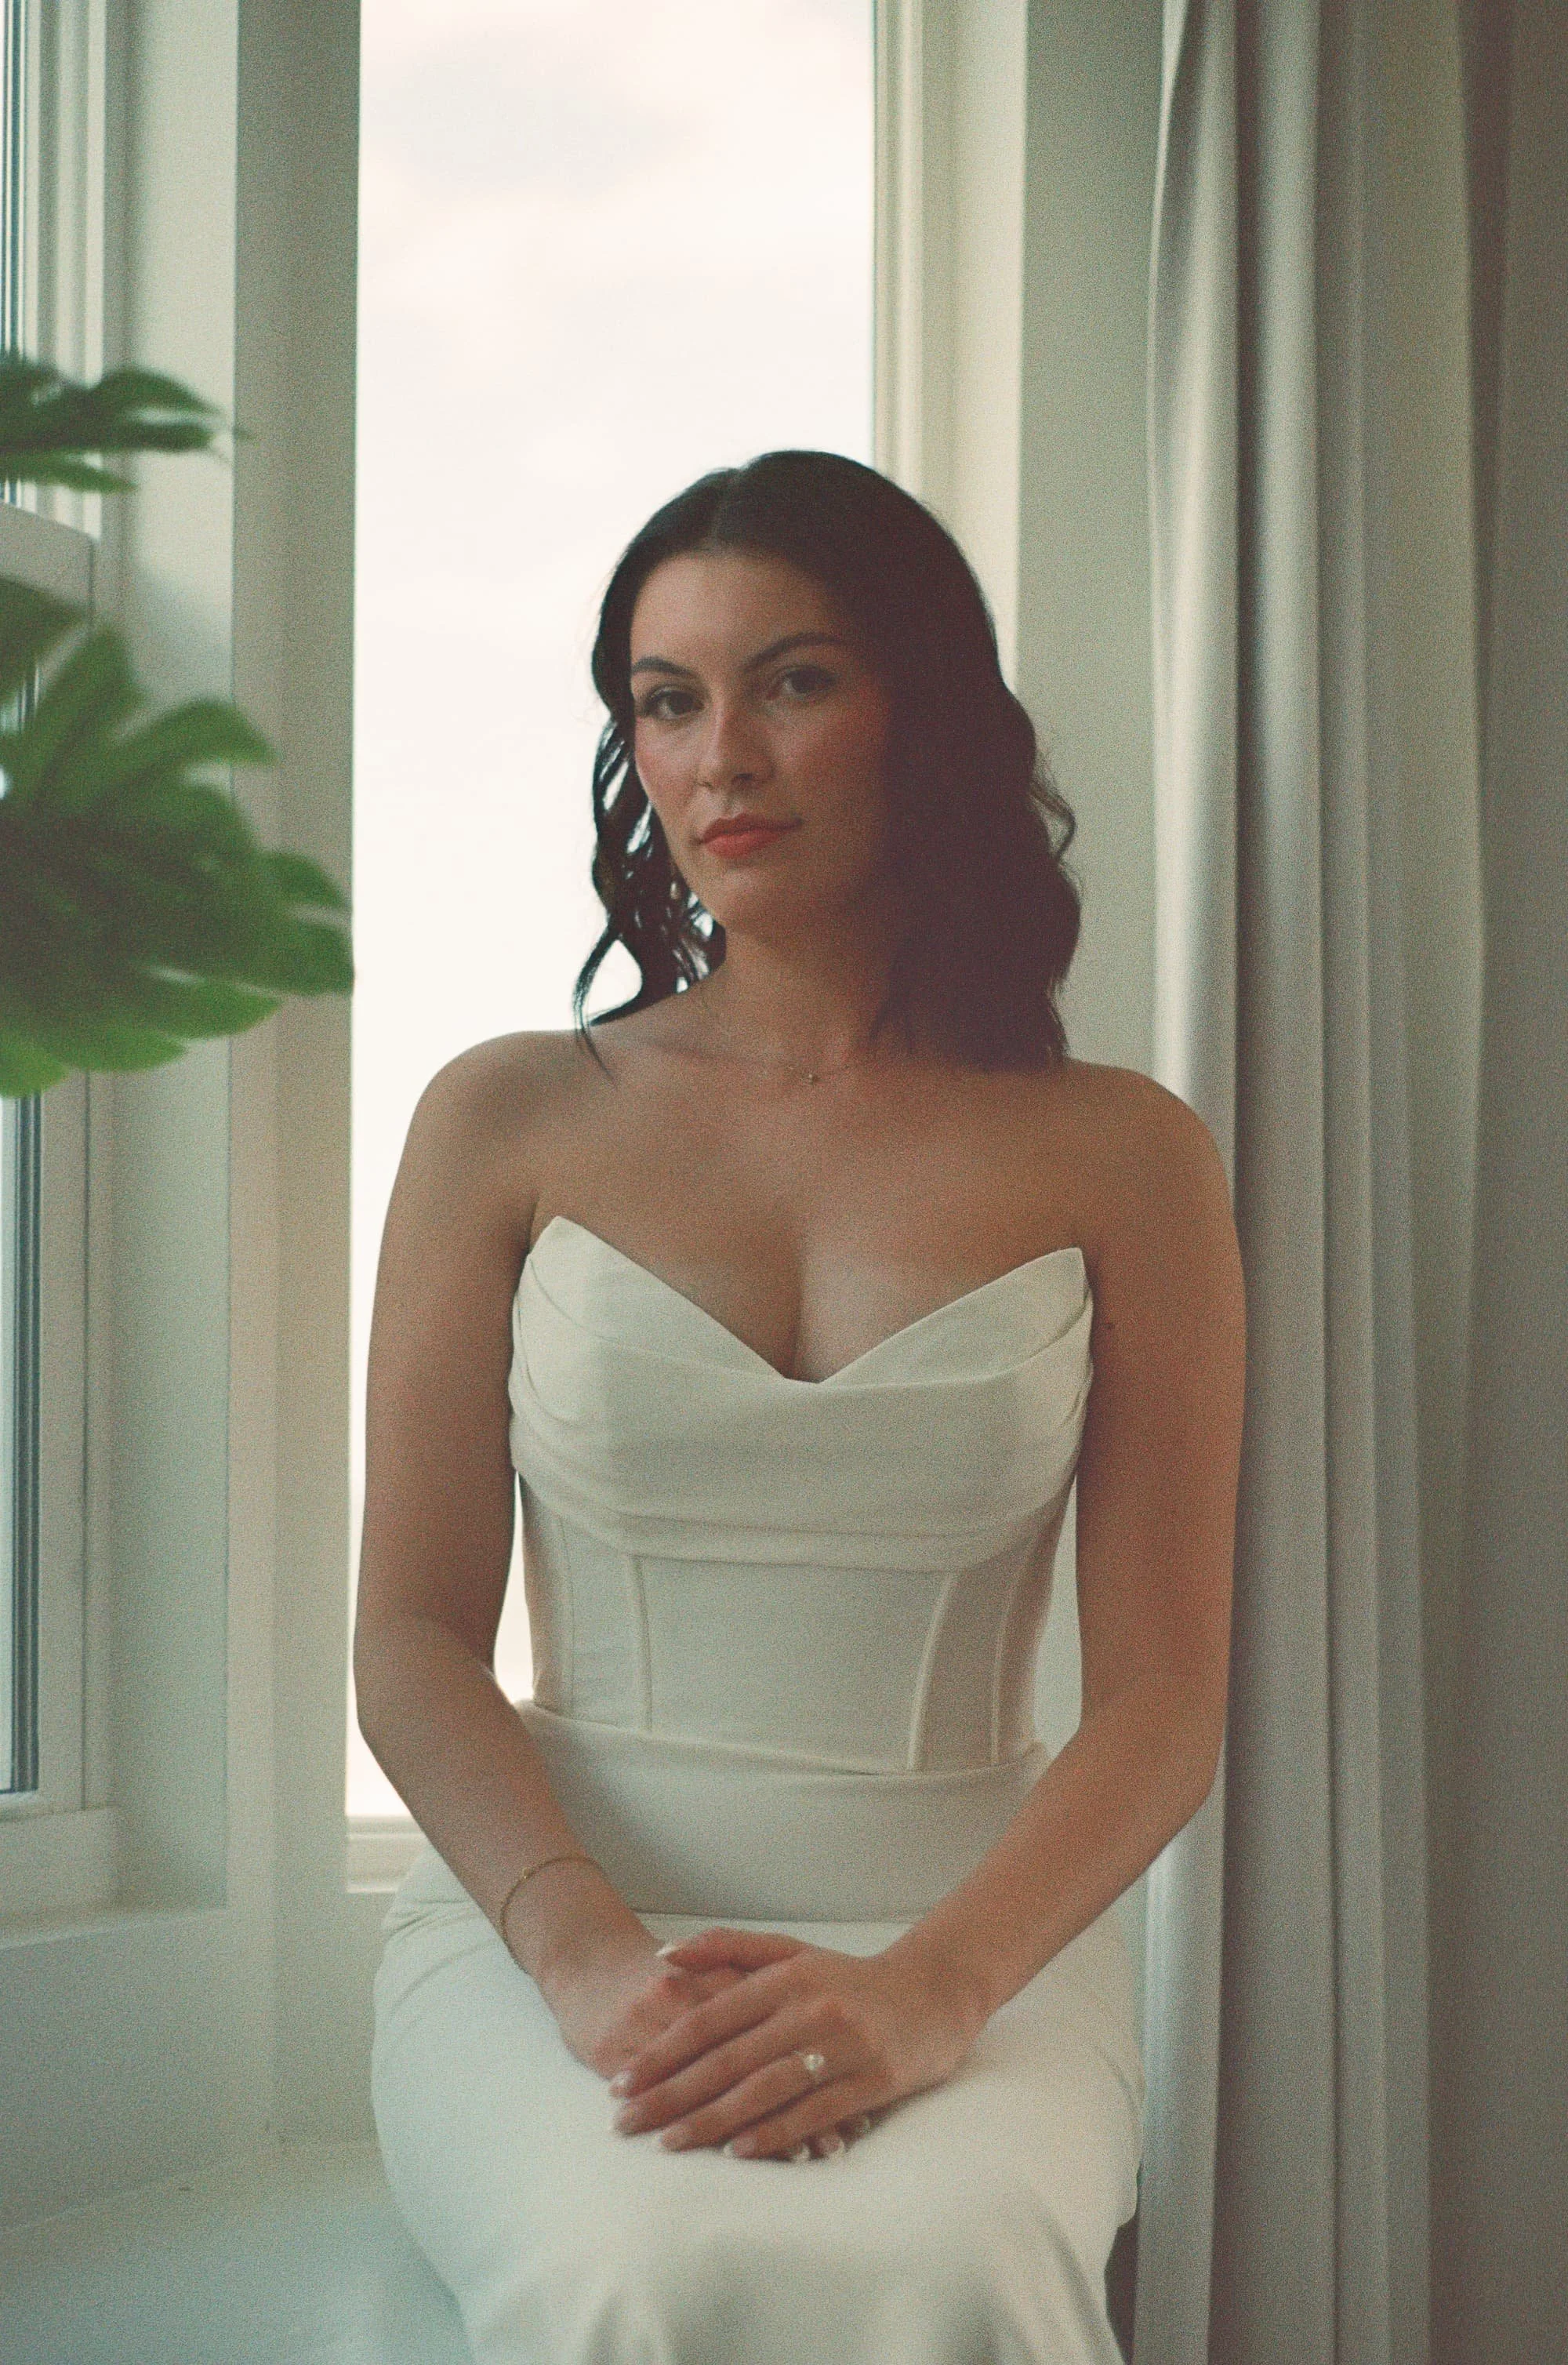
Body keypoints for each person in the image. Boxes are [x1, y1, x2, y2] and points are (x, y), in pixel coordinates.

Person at [357, 449, 1244, 2363]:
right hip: (552, 1943)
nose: (720, 755)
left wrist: (934, 1988)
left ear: (922, 713)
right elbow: (410, 1634)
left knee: (957, 2266)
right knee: (631, 2271)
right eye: (665, 700)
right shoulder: (506, 1114)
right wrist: (589, 1960)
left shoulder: (1127, 1155)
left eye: (793, 679)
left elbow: (1168, 1696)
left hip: (974, 1941)